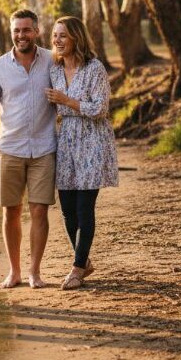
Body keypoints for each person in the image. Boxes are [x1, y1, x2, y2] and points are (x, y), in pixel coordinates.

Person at [0, 9, 57, 289]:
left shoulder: (51, 61)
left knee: (39, 211)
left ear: (36, 31)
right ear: (11, 33)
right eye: (16, 30)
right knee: (10, 212)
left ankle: (35, 272)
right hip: (10, 149)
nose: (21, 35)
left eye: (26, 30)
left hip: (45, 148)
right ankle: (15, 272)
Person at [44, 16, 118, 290]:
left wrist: (67, 101)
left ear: (76, 37)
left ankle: (76, 269)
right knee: (67, 209)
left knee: (84, 207)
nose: (57, 41)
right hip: (65, 142)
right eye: (54, 35)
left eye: (63, 35)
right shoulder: (54, 70)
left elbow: (101, 108)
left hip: (92, 140)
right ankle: (84, 260)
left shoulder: (94, 68)